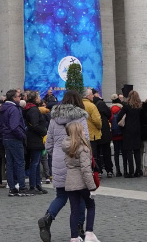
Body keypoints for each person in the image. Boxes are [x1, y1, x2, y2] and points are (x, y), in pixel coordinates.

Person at [39, 90, 88, 242]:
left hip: (59, 160)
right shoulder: (80, 118)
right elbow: (85, 140)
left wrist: (57, 154)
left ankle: (47, 218)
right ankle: (79, 228)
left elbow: (49, 143)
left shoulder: (54, 119)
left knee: (61, 196)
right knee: (80, 198)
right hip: (76, 160)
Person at [63, 121, 100, 242]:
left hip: (70, 181)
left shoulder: (67, 147)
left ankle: (74, 236)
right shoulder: (83, 148)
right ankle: (89, 232)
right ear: (79, 132)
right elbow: (86, 170)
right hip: (83, 182)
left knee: (74, 209)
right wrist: (92, 187)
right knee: (90, 206)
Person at [0, 88, 29, 196]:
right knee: (20, 163)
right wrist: (22, 135)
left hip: (6, 137)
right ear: (13, 98)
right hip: (14, 138)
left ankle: (12, 187)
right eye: (18, 96)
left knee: (10, 164)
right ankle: (22, 186)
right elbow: (14, 126)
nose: (20, 97)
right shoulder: (14, 109)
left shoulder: (4, 108)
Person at [24, 91, 48, 194]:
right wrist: (43, 131)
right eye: (38, 96)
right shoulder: (33, 110)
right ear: (35, 98)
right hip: (35, 139)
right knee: (35, 163)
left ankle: (37, 184)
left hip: (34, 139)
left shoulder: (30, 108)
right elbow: (34, 124)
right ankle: (33, 185)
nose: (40, 98)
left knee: (36, 163)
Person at [87, 88, 113, 178]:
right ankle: (109, 170)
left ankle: (99, 171)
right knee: (106, 151)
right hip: (103, 129)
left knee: (96, 153)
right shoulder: (100, 103)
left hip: (93, 132)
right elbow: (109, 113)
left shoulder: (89, 104)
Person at [118, 90, 143, 177]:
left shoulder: (126, 106)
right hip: (138, 129)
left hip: (128, 129)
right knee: (137, 150)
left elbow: (119, 117)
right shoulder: (140, 106)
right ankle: (138, 170)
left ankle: (131, 171)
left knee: (129, 151)